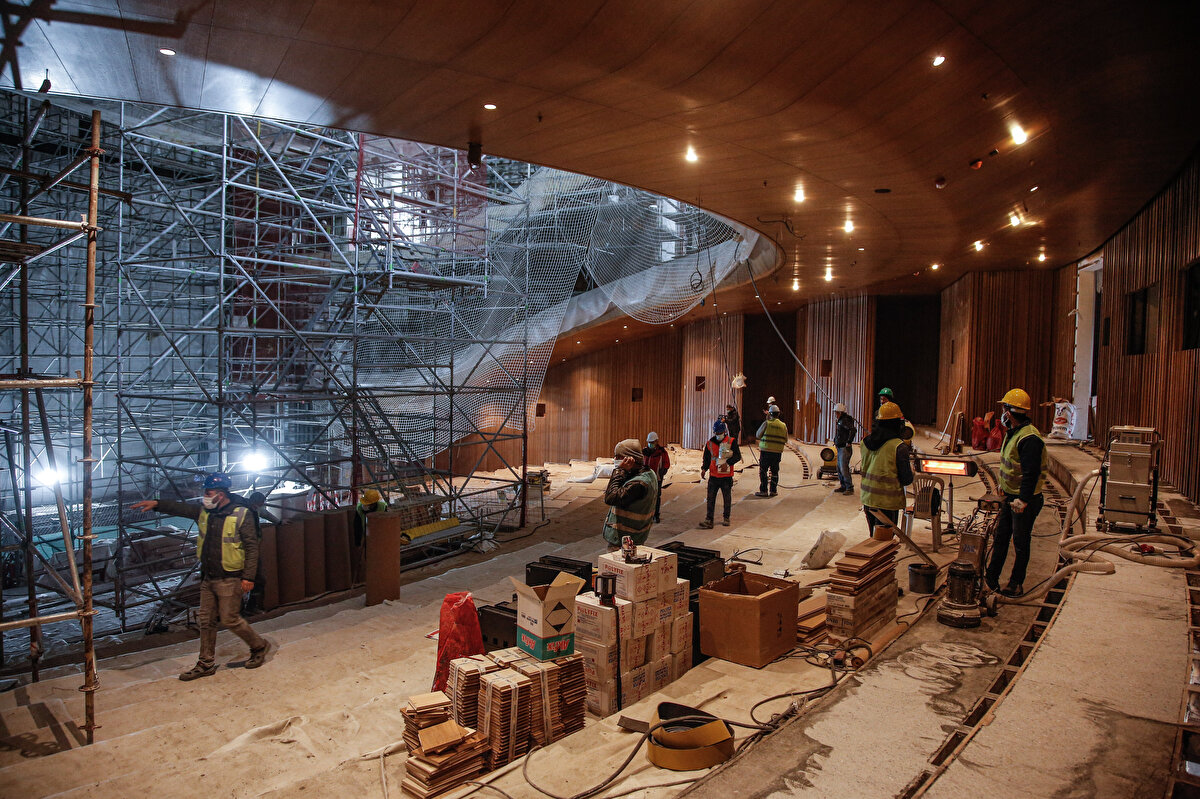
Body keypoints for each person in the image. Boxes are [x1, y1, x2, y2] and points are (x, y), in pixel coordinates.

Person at [130, 472, 270, 680]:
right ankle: (205, 663)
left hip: (230, 577)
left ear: (220, 494)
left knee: (230, 619)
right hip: (209, 575)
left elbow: (252, 547)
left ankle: (259, 646)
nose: (204, 495)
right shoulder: (207, 511)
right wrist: (157, 504)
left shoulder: (241, 514)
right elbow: (183, 509)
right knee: (205, 620)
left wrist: (249, 577)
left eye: (208, 492)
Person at [985, 388, 1048, 598]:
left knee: (1020, 542)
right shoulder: (1015, 432)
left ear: (1009, 411)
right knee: (1001, 537)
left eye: (1003, 408)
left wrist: (1023, 500)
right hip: (1010, 497)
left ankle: (1015, 583)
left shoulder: (1029, 439)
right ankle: (991, 579)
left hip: (1025, 500)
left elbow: (1031, 473)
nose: (1002, 412)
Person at [859, 401, 914, 534]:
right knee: (884, 542)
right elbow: (906, 479)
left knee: (874, 538)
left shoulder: (865, 443)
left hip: (868, 499)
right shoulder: (898, 447)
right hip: (887, 503)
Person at [602, 439, 659, 547]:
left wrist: (619, 471)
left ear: (629, 459)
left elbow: (610, 497)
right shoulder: (649, 473)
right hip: (633, 538)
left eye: (618, 457)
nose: (615, 459)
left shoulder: (638, 483)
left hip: (625, 541)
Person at [700, 420, 741, 528]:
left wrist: (727, 463)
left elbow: (737, 456)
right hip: (713, 476)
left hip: (726, 477)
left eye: (720, 433)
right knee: (710, 498)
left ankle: (726, 518)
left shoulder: (731, 441)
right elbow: (707, 458)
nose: (718, 435)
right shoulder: (710, 443)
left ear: (724, 431)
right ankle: (709, 520)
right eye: (716, 433)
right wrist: (704, 468)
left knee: (727, 498)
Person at [754, 404, 788, 497]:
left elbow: (758, 435)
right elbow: (786, 439)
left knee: (763, 471)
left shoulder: (767, 423)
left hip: (766, 451)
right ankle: (773, 490)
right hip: (777, 453)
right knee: (775, 472)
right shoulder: (783, 425)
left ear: (770, 414)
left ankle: (764, 491)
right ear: (779, 414)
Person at [643, 432, 671, 523]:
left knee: (657, 496)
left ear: (656, 442)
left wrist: (664, 469)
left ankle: (656, 515)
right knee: (646, 496)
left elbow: (666, 462)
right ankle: (647, 515)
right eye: (649, 442)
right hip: (646, 478)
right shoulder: (645, 452)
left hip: (657, 477)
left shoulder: (662, 452)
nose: (650, 444)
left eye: (652, 442)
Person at [833, 402, 857, 494]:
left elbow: (853, 430)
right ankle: (843, 486)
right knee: (839, 467)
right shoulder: (840, 421)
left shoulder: (844, 420)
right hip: (840, 447)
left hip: (844, 448)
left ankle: (849, 487)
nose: (836, 414)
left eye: (837, 412)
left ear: (840, 412)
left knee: (843, 468)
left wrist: (849, 442)